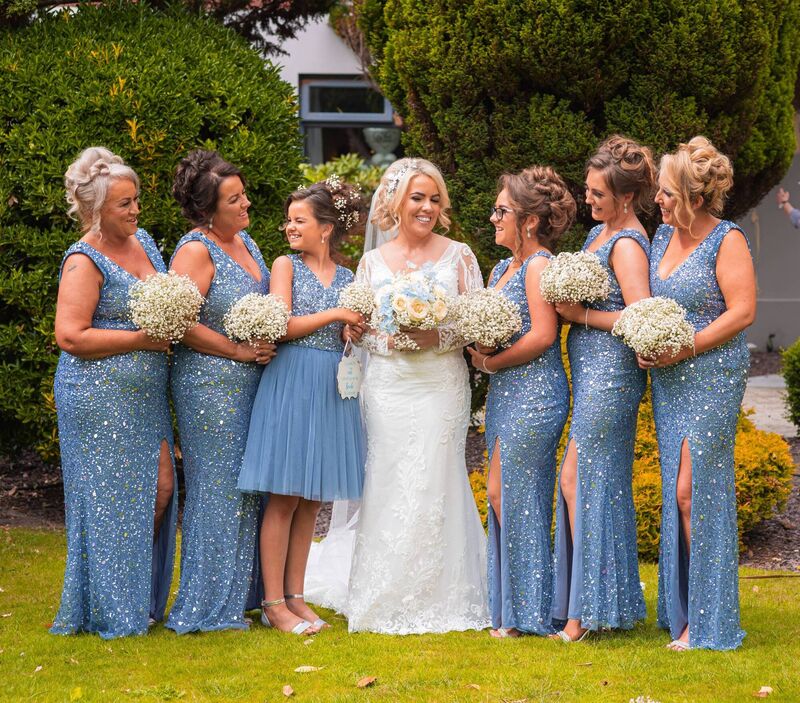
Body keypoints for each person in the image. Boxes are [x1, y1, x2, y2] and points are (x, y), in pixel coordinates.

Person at [340, 157, 490, 634]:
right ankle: (383, 591)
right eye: (417, 197)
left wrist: (438, 336)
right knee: (390, 476)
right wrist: (394, 341)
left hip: (441, 383)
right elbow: (359, 330)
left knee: (437, 475)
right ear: (396, 203)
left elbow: (477, 323)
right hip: (388, 385)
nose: (426, 207)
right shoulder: (371, 262)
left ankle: (447, 591)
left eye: (434, 199)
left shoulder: (460, 256)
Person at [51, 147, 176, 638]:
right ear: (96, 210)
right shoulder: (83, 260)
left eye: (136, 199)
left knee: (159, 489)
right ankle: (111, 607)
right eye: (125, 204)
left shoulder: (143, 241)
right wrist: (142, 339)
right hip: (96, 396)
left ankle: (128, 593)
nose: (136, 210)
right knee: (109, 501)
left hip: (146, 395)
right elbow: (70, 336)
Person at [238, 180, 366, 635]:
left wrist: (352, 331)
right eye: (288, 220)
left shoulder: (348, 278)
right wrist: (336, 316)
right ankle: (273, 603)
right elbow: (282, 325)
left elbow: (349, 329)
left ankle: (296, 596)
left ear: (326, 228)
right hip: (291, 382)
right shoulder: (284, 265)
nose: (290, 227)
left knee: (312, 499)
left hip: (331, 386)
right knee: (284, 496)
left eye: (299, 220)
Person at [642, 136, 755, 651]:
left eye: (666, 193)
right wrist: (648, 342)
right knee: (678, 490)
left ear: (694, 197)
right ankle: (684, 612)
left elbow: (743, 311)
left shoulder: (727, 239)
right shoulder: (661, 238)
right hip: (668, 377)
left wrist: (685, 347)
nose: (658, 200)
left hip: (712, 374)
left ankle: (709, 620)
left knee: (694, 490)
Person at [550, 136, 655, 642]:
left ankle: (582, 613)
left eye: (598, 194)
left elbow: (640, 318)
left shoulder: (628, 244)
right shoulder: (600, 234)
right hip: (590, 372)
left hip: (612, 376)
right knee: (591, 482)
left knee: (578, 481)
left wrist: (581, 315)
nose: (588, 199)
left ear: (626, 197)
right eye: (588, 190)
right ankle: (596, 603)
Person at [166, 150, 274, 634]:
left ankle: (242, 595)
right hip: (210, 386)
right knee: (218, 488)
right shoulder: (196, 251)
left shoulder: (245, 240)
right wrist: (237, 350)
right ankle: (206, 606)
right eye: (235, 199)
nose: (246, 203)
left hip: (253, 381)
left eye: (244, 193)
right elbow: (179, 323)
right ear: (208, 210)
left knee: (248, 487)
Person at [467, 166, 574, 637]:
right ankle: (514, 609)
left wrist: (490, 362)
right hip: (506, 394)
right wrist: (479, 339)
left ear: (529, 221)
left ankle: (530, 614)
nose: (494, 219)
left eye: (502, 211)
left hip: (535, 394)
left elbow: (543, 335)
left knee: (513, 495)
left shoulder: (539, 266)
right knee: (502, 493)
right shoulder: (500, 269)